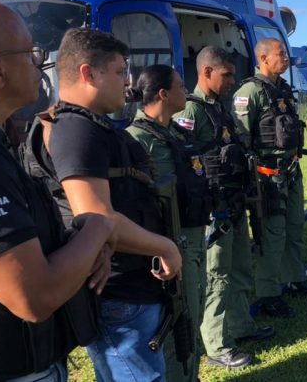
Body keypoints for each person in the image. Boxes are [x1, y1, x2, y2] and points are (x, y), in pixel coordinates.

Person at [0, 0, 114, 382]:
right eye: (32, 54)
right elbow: (33, 297)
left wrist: (77, 246)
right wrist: (100, 226)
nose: (41, 65)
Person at [38, 28, 182, 382]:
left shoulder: (88, 125)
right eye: (119, 72)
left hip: (128, 287)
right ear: (89, 73)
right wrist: (165, 246)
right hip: (118, 292)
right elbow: (96, 216)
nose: (127, 82)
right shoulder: (75, 129)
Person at [174, 46, 274, 370]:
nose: (232, 80)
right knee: (216, 276)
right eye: (226, 74)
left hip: (234, 203)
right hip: (213, 210)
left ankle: (242, 326)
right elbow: (184, 162)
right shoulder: (191, 111)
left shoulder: (221, 108)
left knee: (241, 268)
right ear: (206, 73)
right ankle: (216, 344)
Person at [126, 65, 210, 380]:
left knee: (195, 310)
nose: (185, 91)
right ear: (163, 93)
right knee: (180, 319)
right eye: (179, 86)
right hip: (170, 242)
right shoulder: (135, 139)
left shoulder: (176, 132)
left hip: (194, 233)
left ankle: (191, 374)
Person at [232, 37, 307, 318]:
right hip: (267, 178)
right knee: (271, 237)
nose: (286, 58)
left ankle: (297, 278)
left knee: (295, 228)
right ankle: (269, 294)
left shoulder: (284, 88)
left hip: (291, 171)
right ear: (263, 58)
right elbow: (241, 138)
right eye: (280, 54)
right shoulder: (249, 92)